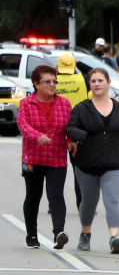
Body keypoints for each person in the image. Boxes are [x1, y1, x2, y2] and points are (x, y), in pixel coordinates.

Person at [66, 68, 119, 254]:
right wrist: (82, 135)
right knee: (88, 201)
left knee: (112, 200)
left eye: (100, 80)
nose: (96, 84)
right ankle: (85, 234)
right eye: (93, 81)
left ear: (108, 83)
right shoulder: (81, 108)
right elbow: (70, 128)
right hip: (86, 163)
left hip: (113, 162)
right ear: (90, 84)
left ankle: (114, 237)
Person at [17, 65, 74, 249]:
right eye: (47, 81)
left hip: (56, 158)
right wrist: (37, 136)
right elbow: (23, 125)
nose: (52, 85)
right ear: (36, 84)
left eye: (54, 81)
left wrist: (72, 140)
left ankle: (59, 232)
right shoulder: (27, 103)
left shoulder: (64, 104)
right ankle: (31, 235)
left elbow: (70, 126)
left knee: (56, 195)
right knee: (33, 196)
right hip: (33, 158)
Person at [56, 54, 89, 209]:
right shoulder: (83, 79)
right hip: (77, 128)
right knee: (79, 169)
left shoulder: (52, 82)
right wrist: (79, 63)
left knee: (55, 170)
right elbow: (96, 72)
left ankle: (54, 203)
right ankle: (81, 203)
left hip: (56, 129)